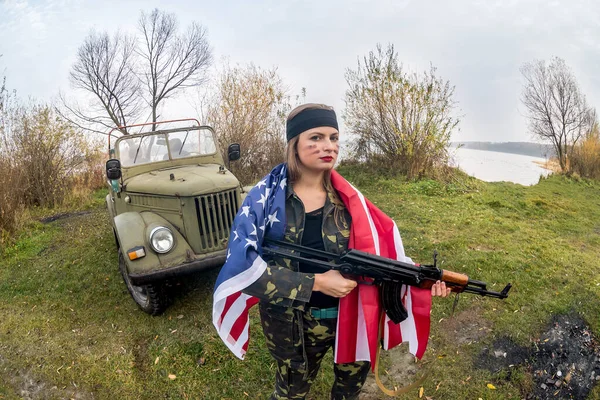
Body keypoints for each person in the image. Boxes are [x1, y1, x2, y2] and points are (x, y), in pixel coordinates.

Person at [213, 103, 451, 400]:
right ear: (294, 144)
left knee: (348, 392)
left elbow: (381, 256)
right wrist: (317, 283)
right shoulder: (264, 201)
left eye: (334, 137)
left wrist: (423, 279)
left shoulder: (352, 201)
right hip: (291, 325)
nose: (328, 146)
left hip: (352, 317)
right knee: (291, 393)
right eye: (316, 137)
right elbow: (244, 270)